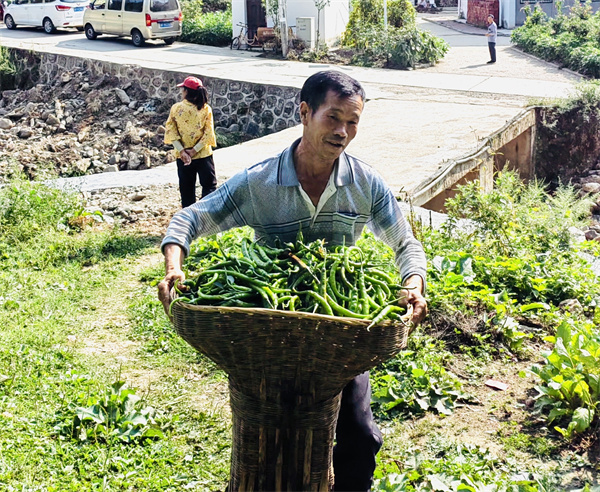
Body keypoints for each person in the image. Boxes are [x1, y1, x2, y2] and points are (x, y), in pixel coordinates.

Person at [157, 70, 427, 491]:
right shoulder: (259, 182)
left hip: (338, 333)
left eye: (352, 121)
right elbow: (188, 220)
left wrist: (413, 284)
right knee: (268, 441)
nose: (342, 132)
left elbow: (405, 243)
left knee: (361, 438)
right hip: (269, 332)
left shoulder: (365, 184)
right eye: (333, 117)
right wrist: (174, 266)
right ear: (304, 113)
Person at [164, 75, 217, 208]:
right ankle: (208, 213)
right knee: (209, 187)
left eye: (183, 89)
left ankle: (189, 217)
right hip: (203, 154)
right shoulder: (205, 109)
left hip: (183, 157)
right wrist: (194, 150)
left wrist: (182, 151)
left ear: (186, 91)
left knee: (187, 190)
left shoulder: (176, 108)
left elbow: (171, 130)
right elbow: (208, 133)